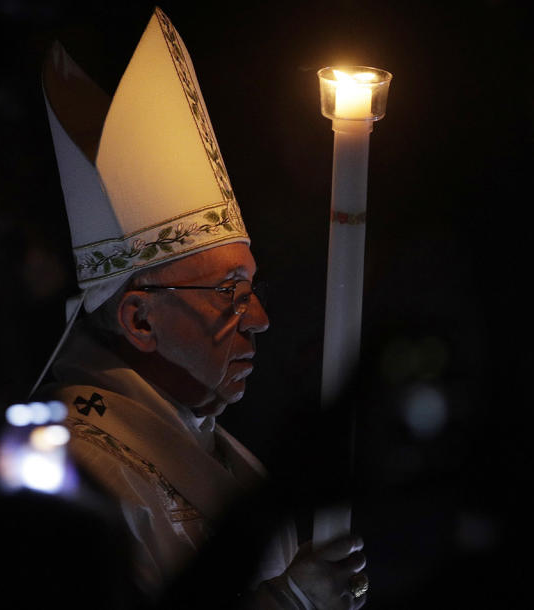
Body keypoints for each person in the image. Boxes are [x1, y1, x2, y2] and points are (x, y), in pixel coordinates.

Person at [37, 9, 368, 607]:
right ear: (140, 319)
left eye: (252, 287)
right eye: (229, 291)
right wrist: (288, 600)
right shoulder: (74, 465)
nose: (260, 319)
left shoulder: (221, 448)